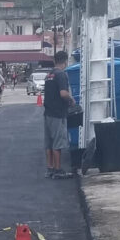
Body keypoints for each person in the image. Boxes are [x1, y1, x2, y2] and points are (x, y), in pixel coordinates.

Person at [43, 50, 76, 179]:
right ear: (65, 61)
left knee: (49, 143)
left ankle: (50, 169)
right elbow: (63, 93)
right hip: (57, 114)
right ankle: (58, 170)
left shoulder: (49, 75)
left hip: (48, 113)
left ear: (54, 61)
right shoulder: (61, 74)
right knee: (58, 142)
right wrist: (71, 100)